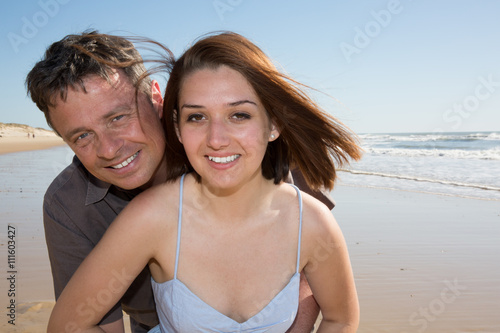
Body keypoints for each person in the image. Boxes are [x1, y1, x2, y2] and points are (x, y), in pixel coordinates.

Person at [47, 32, 362, 332]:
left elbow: (333, 308)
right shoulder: (125, 213)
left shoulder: (307, 212)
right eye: (196, 117)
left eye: (239, 115)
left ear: (274, 123)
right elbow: (78, 323)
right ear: (179, 126)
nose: (217, 139)